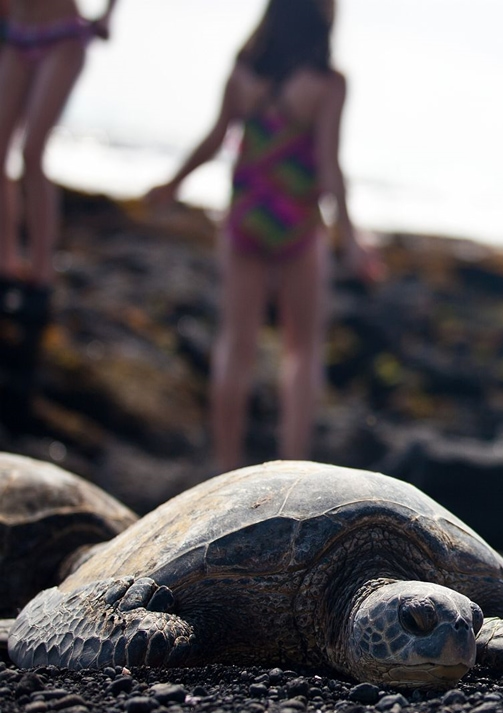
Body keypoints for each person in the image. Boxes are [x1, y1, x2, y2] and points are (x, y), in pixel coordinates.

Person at [147, 0, 383, 472]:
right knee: (303, 349)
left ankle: (224, 465)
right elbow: (330, 165)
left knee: (237, 344)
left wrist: (173, 183)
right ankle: (294, 465)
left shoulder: (244, 75)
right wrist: (351, 239)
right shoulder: (328, 84)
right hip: (297, 224)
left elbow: (216, 139)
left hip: (245, 219)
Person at [0, 0, 118, 429]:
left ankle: (43, 272)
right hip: (16, 30)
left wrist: (108, 14)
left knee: (32, 151)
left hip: (61, 32)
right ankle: (8, 259)